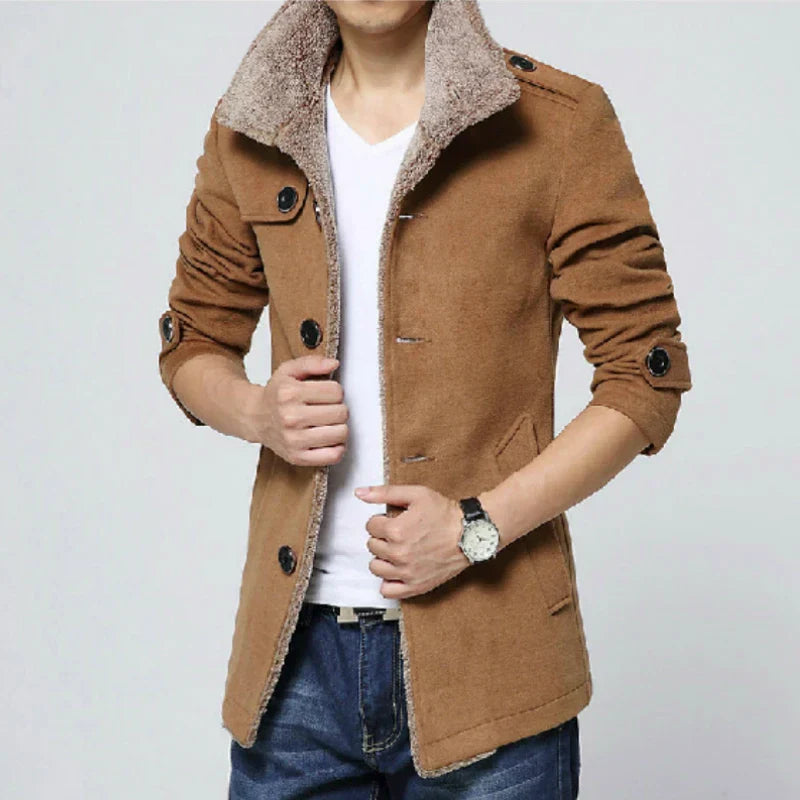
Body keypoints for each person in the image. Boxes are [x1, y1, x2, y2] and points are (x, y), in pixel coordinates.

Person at [157, 0, 693, 797]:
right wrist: (256, 411)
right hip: (293, 668)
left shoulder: (559, 123)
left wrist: (478, 527)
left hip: (494, 666)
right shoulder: (254, 121)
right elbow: (193, 341)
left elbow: (644, 376)